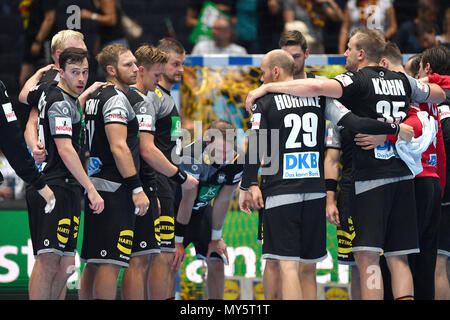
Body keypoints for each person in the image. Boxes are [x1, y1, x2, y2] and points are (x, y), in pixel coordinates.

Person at [245, 28, 446, 300]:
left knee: (311, 264)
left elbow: (260, 141)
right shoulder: (396, 81)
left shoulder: (346, 82)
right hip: (384, 180)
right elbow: (435, 95)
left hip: (341, 183)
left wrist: (249, 183)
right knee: (396, 260)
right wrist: (395, 130)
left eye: (349, 48)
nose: (344, 52)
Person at [25, 48, 105, 300]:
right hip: (53, 185)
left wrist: (37, 74)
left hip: (68, 187)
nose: (81, 78)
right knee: (48, 261)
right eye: (74, 72)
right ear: (60, 71)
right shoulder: (58, 101)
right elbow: (65, 149)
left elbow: (25, 93)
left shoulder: (67, 98)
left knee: (67, 264)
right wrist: (91, 189)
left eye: (85, 72)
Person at [79, 43, 149, 300]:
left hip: (95, 184)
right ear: (111, 69)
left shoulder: (95, 97)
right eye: (128, 65)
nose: (135, 68)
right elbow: (119, 147)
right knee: (111, 262)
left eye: (135, 63)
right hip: (115, 187)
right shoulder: (117, 99)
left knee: (94, 260)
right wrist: (137, 188)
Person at [144, 37, 198, 300]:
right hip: (157, 183)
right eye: (176, 64)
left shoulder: (166, 98)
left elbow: (169, 145)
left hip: (168, 184)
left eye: (183, 64)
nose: (180, 70)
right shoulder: (153, 98)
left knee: (165, 256)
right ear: (161, 64)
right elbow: (145, 147)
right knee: (158, 257)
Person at [171, 120, 244, 299]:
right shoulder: (191, 155)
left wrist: (216, 238)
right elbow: (187, 200)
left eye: (227, 151)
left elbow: (223, 200)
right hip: (174, 211)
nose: (223, 155)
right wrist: (178, 239)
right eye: (219, 150)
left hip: (202, 212)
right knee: (170, 262)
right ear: (207, 141)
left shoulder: (237, 159)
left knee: (217, 259)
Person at [120, 44, 168, 300]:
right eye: (156, 75)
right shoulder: (141, 102)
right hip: (138, 185)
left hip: (129, 183)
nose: (159, 81)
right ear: (141, 70)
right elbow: (146, 151)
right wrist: (178, 176)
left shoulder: (118, 95)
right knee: (139, 259)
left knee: (132, 258)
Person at [19, 30, 88, 164]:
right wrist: (34, 147)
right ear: (59, 55)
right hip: (57, 169)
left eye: (84, 52)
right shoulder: (51, 81)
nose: (84, 56)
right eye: (78, 52)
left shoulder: (76, 77)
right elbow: (31, 121)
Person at [18, 0, 58, 88]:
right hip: (30, 38)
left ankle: (46, 100)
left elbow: (50, 18)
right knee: (24, 78)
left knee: (46, 78)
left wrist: (38, 41)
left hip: (44, 40)